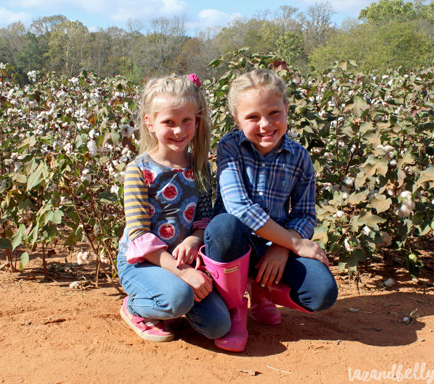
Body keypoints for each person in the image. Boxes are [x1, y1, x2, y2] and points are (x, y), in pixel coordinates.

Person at [199, 68, 337, 352]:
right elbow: (240, 209)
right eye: (252, 117)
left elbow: (305, 213)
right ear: (237, 120)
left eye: (274, 112)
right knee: (225, 226)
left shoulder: (299, 156)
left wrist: (283, 247)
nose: (266, 124)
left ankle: (263, 291)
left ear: (286, 109)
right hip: (233, 245)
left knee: (321, 293)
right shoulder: (230, 147)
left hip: (274, 245)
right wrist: (295, 242)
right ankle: (235, 306)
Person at [117, 74, 230, 343]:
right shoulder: (138, 171)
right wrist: (185, 274)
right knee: (178, 298)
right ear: (150, 122)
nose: (179, 131)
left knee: (218, 327)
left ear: (196, 120)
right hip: (141, 263)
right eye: (168, 122)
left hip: (183, 261)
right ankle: (134, 307)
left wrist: (192, 240)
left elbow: (204, 220)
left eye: (186, 121)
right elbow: (139, 237)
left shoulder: (200, 167)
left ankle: (174, 300)